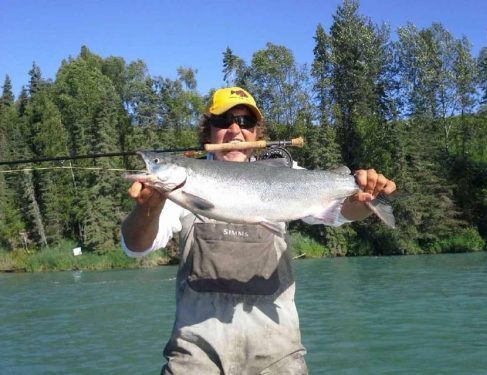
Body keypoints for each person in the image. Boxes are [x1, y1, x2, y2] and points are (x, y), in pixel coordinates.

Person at [121, 87, 396, 374]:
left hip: (277, 357)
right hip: (196, 359)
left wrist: (363, 202)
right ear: (208, 132)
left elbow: (338, 214)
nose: (234, 131)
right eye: (223, 121)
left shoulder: (289, 174)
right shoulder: (183, 186)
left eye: (245, 123)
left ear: (256, 134)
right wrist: (146, 208)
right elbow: (135, 247)